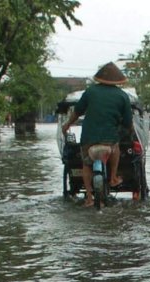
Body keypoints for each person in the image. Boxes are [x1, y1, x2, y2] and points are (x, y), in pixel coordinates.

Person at [60, 62, 133, 207]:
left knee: (86, 165)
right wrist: (128, 132)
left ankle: (89, 198)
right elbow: (128, 122)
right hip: (109, 140)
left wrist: (67, 124)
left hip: (89, 139)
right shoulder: (122, 96)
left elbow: (77, 112)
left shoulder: (90, 91)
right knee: (116, 147)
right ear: (117, 80)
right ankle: (112, 177)